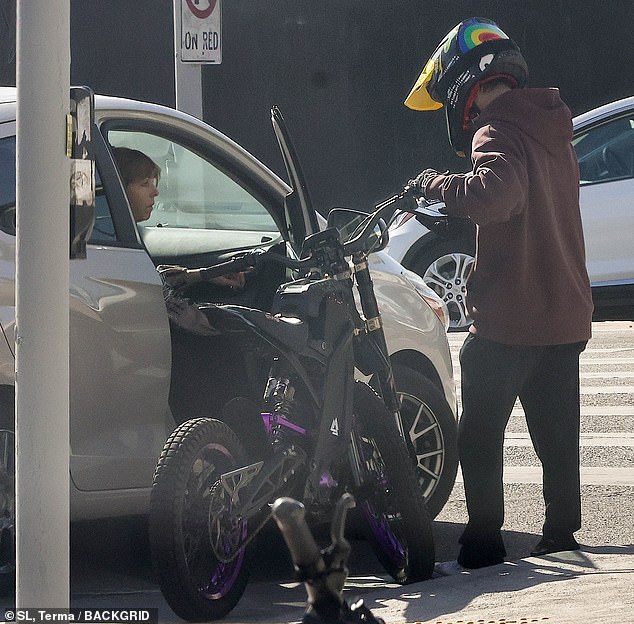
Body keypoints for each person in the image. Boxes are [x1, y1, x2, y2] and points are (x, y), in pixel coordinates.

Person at [404, 17, 593, 573]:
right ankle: (561, 531)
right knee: (557, 433)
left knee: (478, 434)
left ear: (467, 84)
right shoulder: (552, 126)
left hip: (511, 316)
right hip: (564, 312)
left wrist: (435, 184)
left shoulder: (498, 129)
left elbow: (495, 196)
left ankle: (483, 541)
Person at [112, 145, 244, 291]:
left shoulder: (119, 236)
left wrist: (204, 275)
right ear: (119, 190)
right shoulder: (111, 249)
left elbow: (157, 280)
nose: (155, 192)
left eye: (153, 183)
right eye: (145, 184)